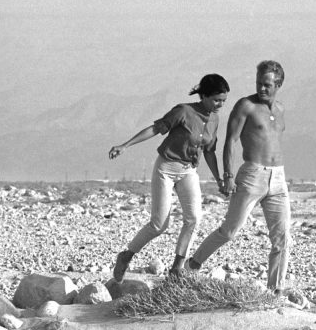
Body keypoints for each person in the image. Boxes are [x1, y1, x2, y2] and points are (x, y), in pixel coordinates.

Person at [108, 74, 230, 281]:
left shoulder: (215, 119)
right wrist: (125, 145)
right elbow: (156, 129)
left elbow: (209, 151)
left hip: (188, 170)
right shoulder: (183, 111)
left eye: (223, 101)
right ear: (204, 96)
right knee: (159, 225)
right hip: (166, 168)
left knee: (194, 218)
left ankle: (177, 268)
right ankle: (126, 255)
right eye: (216, 100)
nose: (219, 105)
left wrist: (219, 179)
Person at [185, 60, 291, 293]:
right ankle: (192, 265)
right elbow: (230, 141)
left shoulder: (281, 109)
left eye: (267, 84)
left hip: (279, 177)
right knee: (230, 231)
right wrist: (228, 176)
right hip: (253, 174)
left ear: (278, 84)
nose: (262, 88)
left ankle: (276, 292)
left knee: (282, 237)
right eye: (259, 83)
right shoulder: (246, 106)